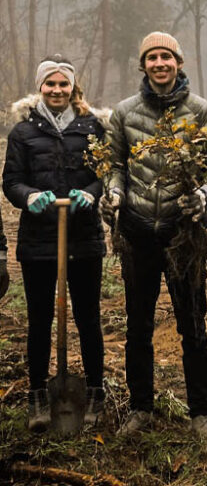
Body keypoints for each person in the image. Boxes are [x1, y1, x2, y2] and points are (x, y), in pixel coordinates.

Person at [101, 32, 207, 439]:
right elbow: (113, 163)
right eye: (152, 57)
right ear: (143, 65)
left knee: (193, 325)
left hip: (183, 235)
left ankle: (201, 413)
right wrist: (115, 192)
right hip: (137, 233)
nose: (159, 63)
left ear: (179, 62)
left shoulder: (203, 112)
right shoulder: (123, 112)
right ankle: (140, 409)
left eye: (166, 57)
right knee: (138, 326)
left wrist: (204, 195)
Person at [2, 55, 106, 430]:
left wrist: (91, 193)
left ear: (73, 87)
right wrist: (29, 196)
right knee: (39, 319)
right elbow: (11, 180)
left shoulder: (92, 127)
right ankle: (37, 396)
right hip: (39, 240)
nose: (57, 90)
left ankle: (95, 391)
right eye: (50, 84)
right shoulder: (23, 132)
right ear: (40, 87)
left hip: (83, 238)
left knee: (88, 317)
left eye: (64, 84)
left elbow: (104, 174)